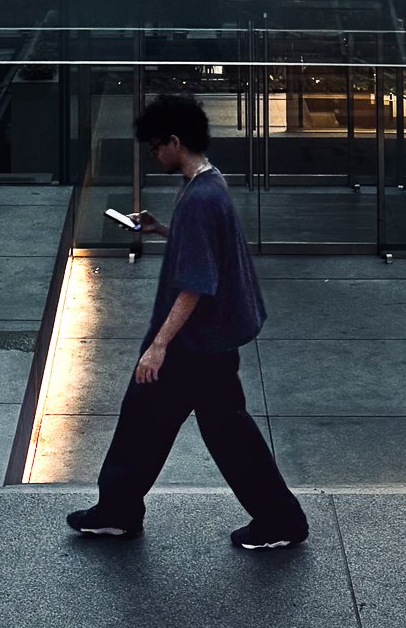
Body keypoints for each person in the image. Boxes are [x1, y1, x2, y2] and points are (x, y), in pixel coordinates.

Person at [67, 94, 308, 551]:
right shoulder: (210, 182)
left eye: (157, 146)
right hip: (211, 344)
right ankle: (279, 519)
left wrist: (158, 346)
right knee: (218, 431)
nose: (154, 154)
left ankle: (118, 512)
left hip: (192, 346)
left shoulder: (199, 198)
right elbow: (206, 250)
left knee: (154, 423)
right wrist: (159, 229)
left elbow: (196, 283)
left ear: (175, 142)